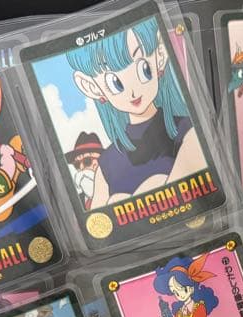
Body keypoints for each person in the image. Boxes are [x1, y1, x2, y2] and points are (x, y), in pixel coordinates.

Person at [67, 18, 206, 205]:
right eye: (115, 83)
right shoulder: (106, 164)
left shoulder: (188, 130)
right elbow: (98, 221)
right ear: (92, 87)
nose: (133, 91)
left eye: (144, 69)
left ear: (160, 55)